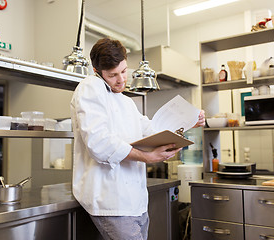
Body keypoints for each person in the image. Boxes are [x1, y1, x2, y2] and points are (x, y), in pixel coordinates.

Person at [70, 38, 205, 240]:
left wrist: (188, 122)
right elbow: (99, 144)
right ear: (97, 72)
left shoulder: (126, 102)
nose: (121, 80)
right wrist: (149, 157)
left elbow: (150, 130)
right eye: (113, 75)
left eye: (124, 71)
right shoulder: (90, 87)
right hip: (111, 201)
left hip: (136, 201)